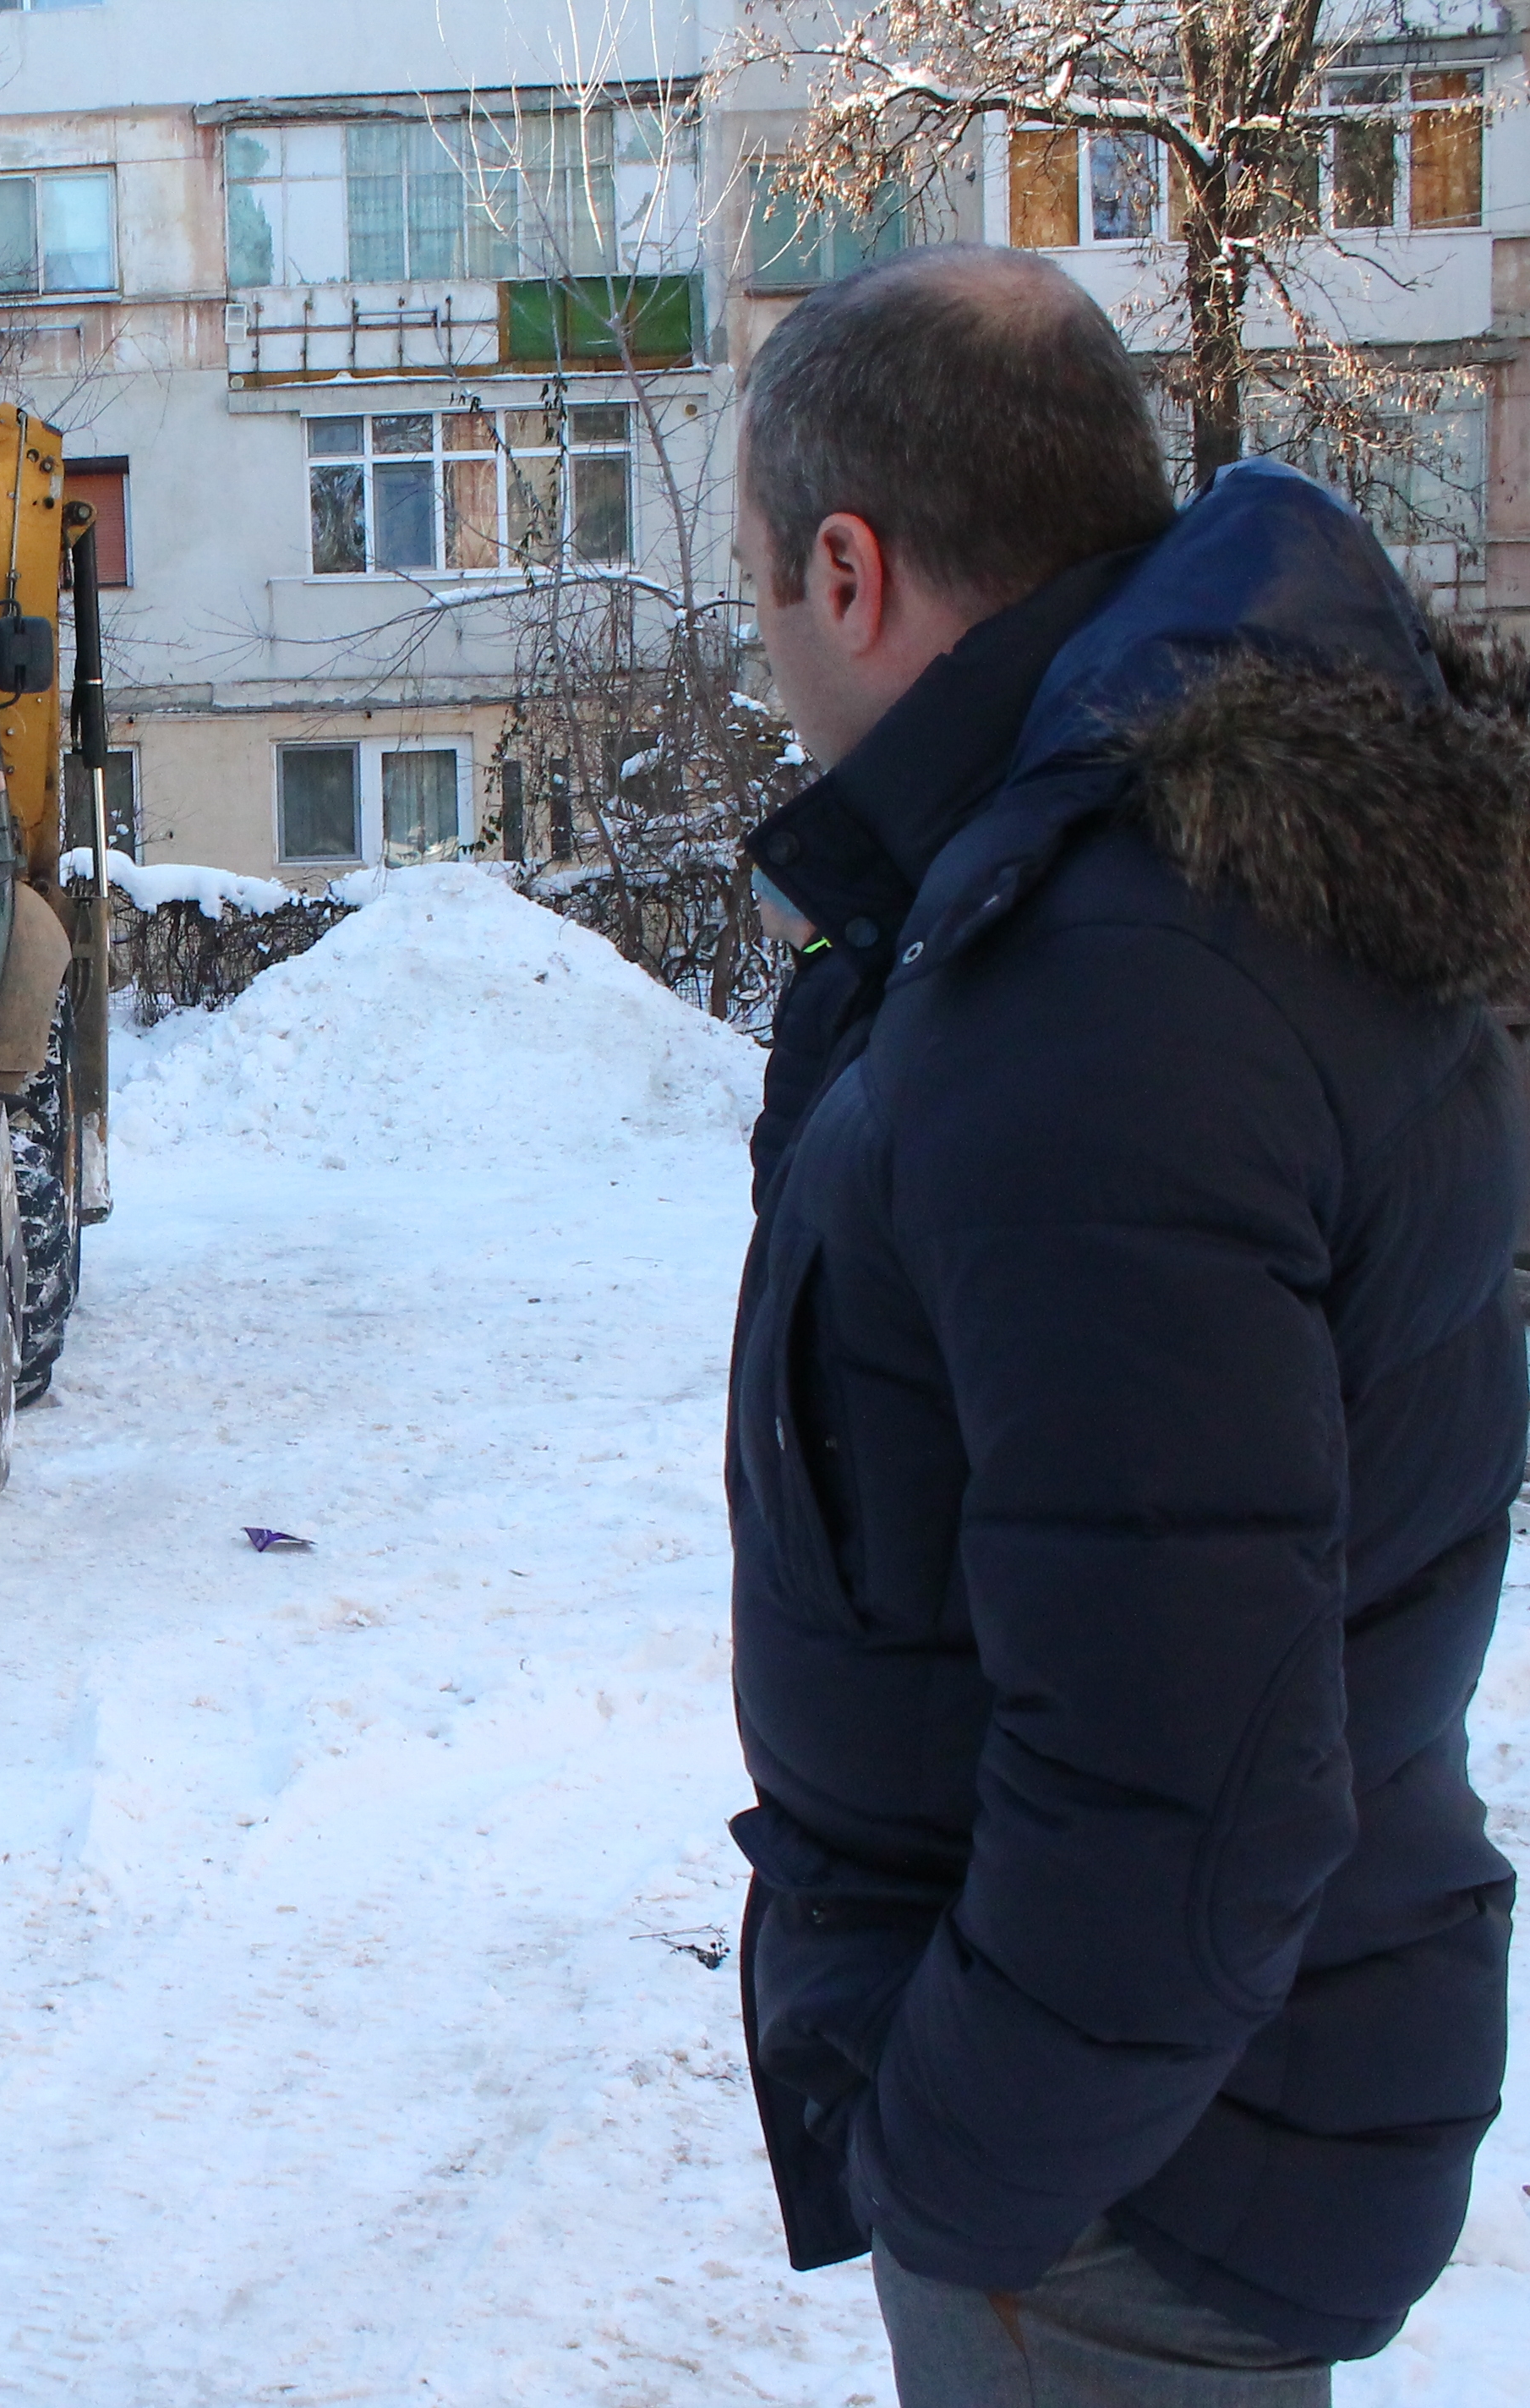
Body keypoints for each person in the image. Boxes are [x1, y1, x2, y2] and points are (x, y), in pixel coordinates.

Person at [726, 245, 1521, 2403]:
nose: (774, 659)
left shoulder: (1106, 979)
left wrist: (960, 2165)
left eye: (766, 599)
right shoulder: (1170, 866)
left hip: (1129, 2183)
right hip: (1215, 2089)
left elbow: (1186, 1768)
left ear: (849, 564)